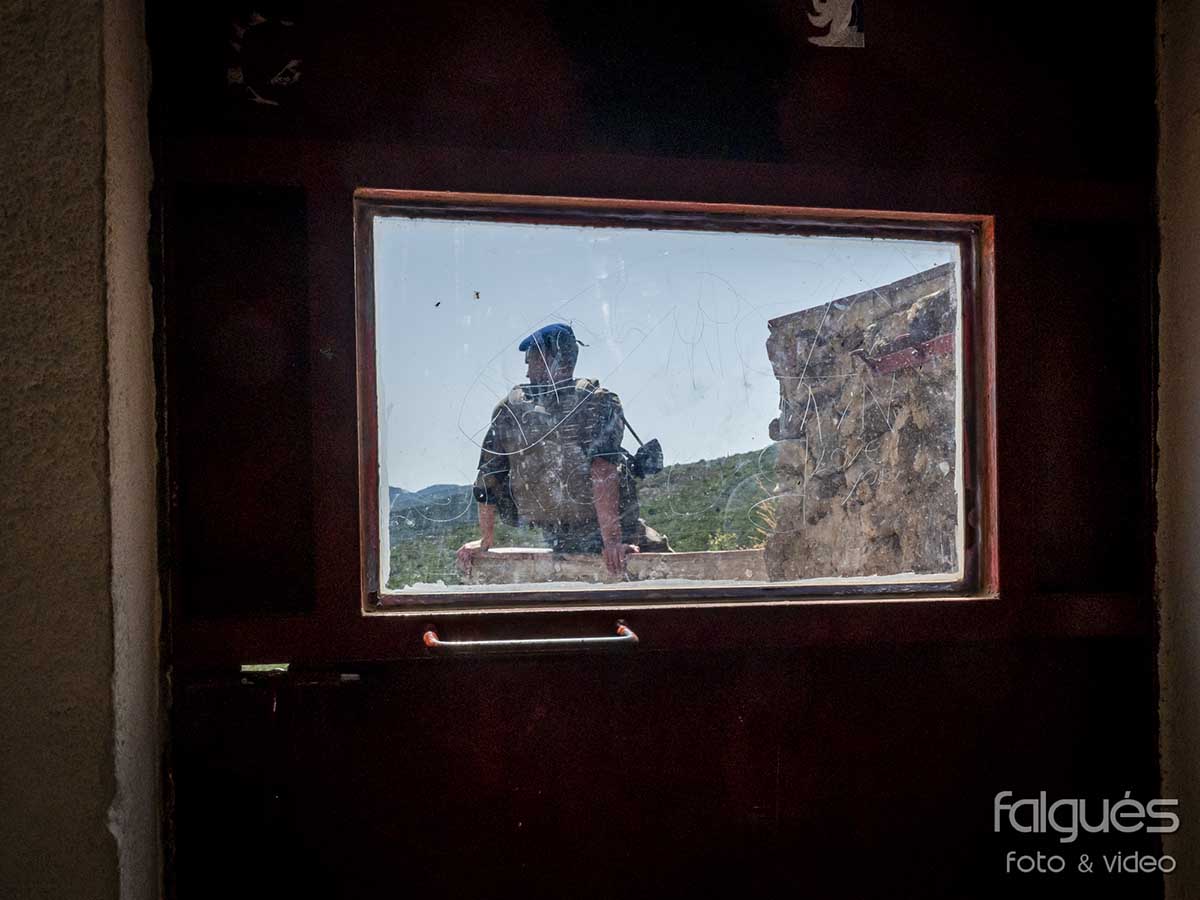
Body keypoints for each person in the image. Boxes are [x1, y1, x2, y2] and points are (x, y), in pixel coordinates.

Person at [456, 323, 669, 576]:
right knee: (669, 570)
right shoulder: (597, 400)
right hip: (611, 534)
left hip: (556, 537)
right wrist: (612, 542)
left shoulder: (508, 410)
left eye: (531, 360)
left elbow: (488, 480)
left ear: (552, 359)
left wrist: (486, 539)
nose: (527, 371)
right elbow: (603, 470)